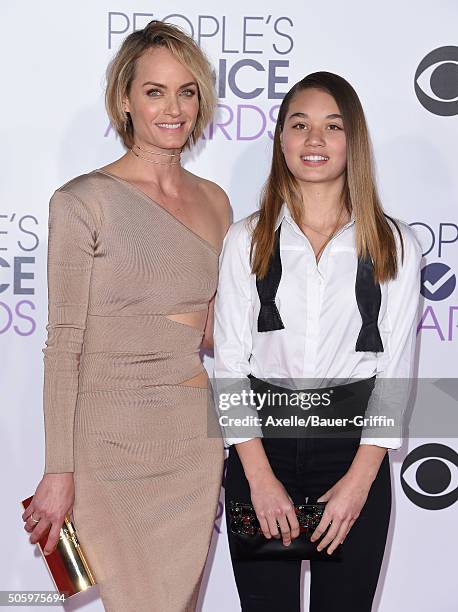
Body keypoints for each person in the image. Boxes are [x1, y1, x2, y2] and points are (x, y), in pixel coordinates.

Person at [21, 20, 230, 612]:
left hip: (191, 442)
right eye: (155, 91)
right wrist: (58, 471)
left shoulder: (216, 201)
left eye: (187, 91)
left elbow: (219, 335)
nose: (174, 108)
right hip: (109, 448)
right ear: (125, 100)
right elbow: (63, 346)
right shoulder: (82, 201)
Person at [213, 71, 422, 611]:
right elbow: (231, 365)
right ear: (280, 139)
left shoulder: (394, 243)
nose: (314, 140)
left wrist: (359, 481)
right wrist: (257, 477)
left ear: (354, 140)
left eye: (332, 126)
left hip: (354, 455)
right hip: (263, 447)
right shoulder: (245, 240)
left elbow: (394, 372)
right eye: (299, 125)